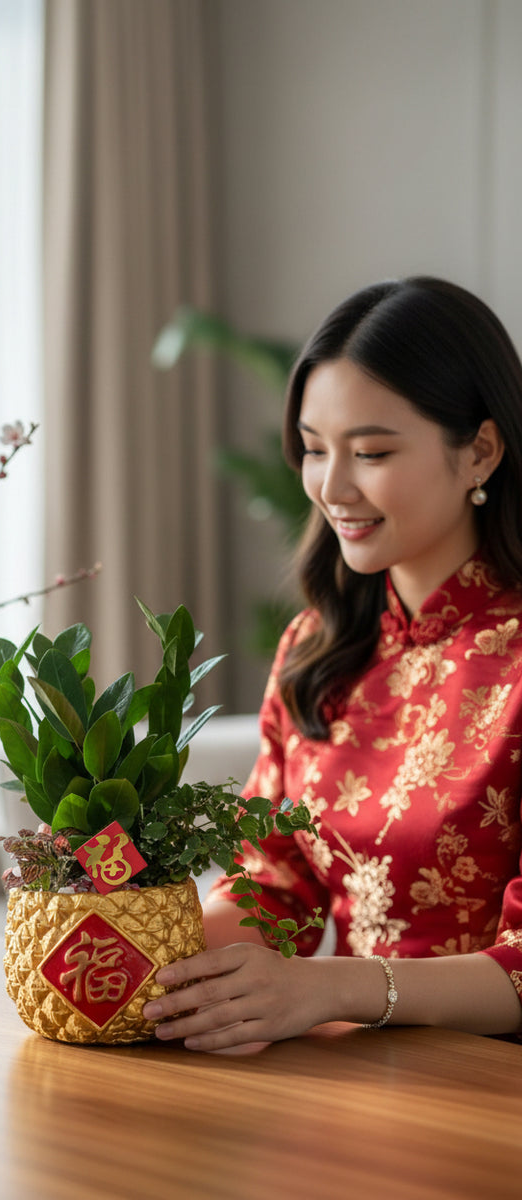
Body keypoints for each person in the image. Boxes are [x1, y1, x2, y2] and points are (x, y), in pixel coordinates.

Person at [142, 276, 522, 1052]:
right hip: (359, 1084)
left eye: (372, 452)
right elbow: (274, 883)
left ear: (479, 450)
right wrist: (133, 941)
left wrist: (329, 988)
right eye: (314, 450)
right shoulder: (320, 645)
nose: (332, 487)